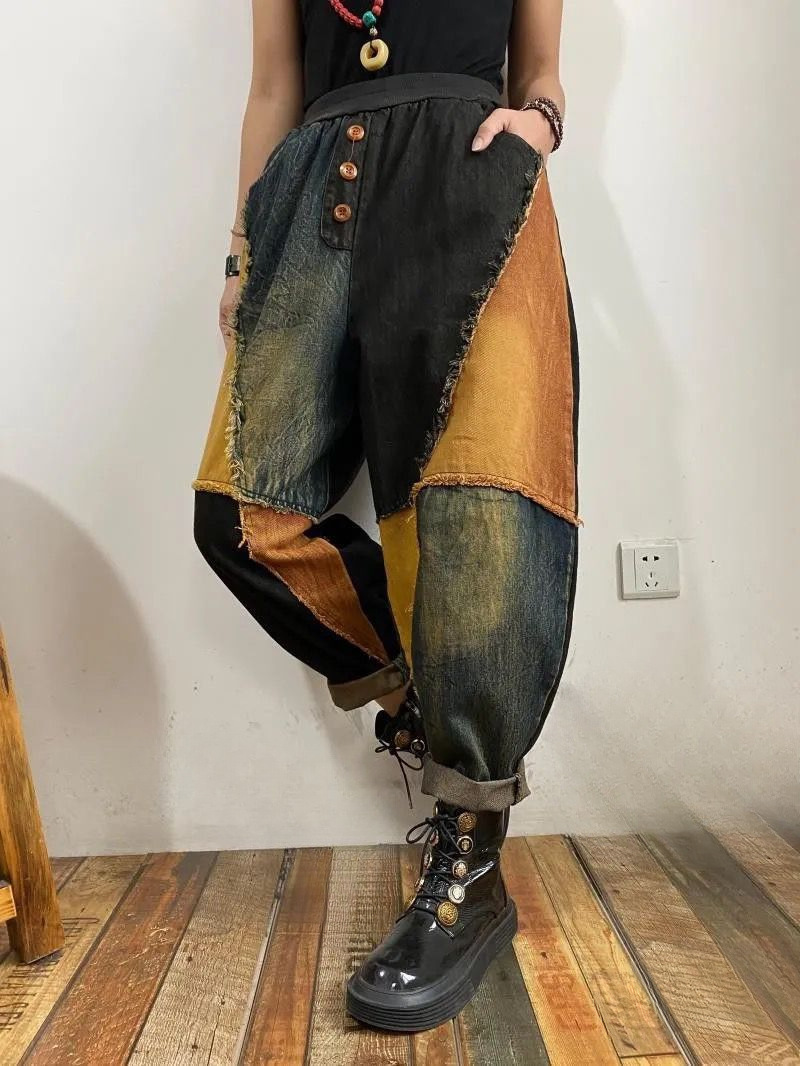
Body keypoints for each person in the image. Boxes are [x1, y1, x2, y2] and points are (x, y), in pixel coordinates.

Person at [193, 0, 579, 1031]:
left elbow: (541, 67)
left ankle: (470, 868)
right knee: (241, 516)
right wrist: (242, 250)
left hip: (471, 169)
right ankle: (428, 692)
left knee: (480, 515)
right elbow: (272, 85)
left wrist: (539, 123)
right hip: (313, 187)